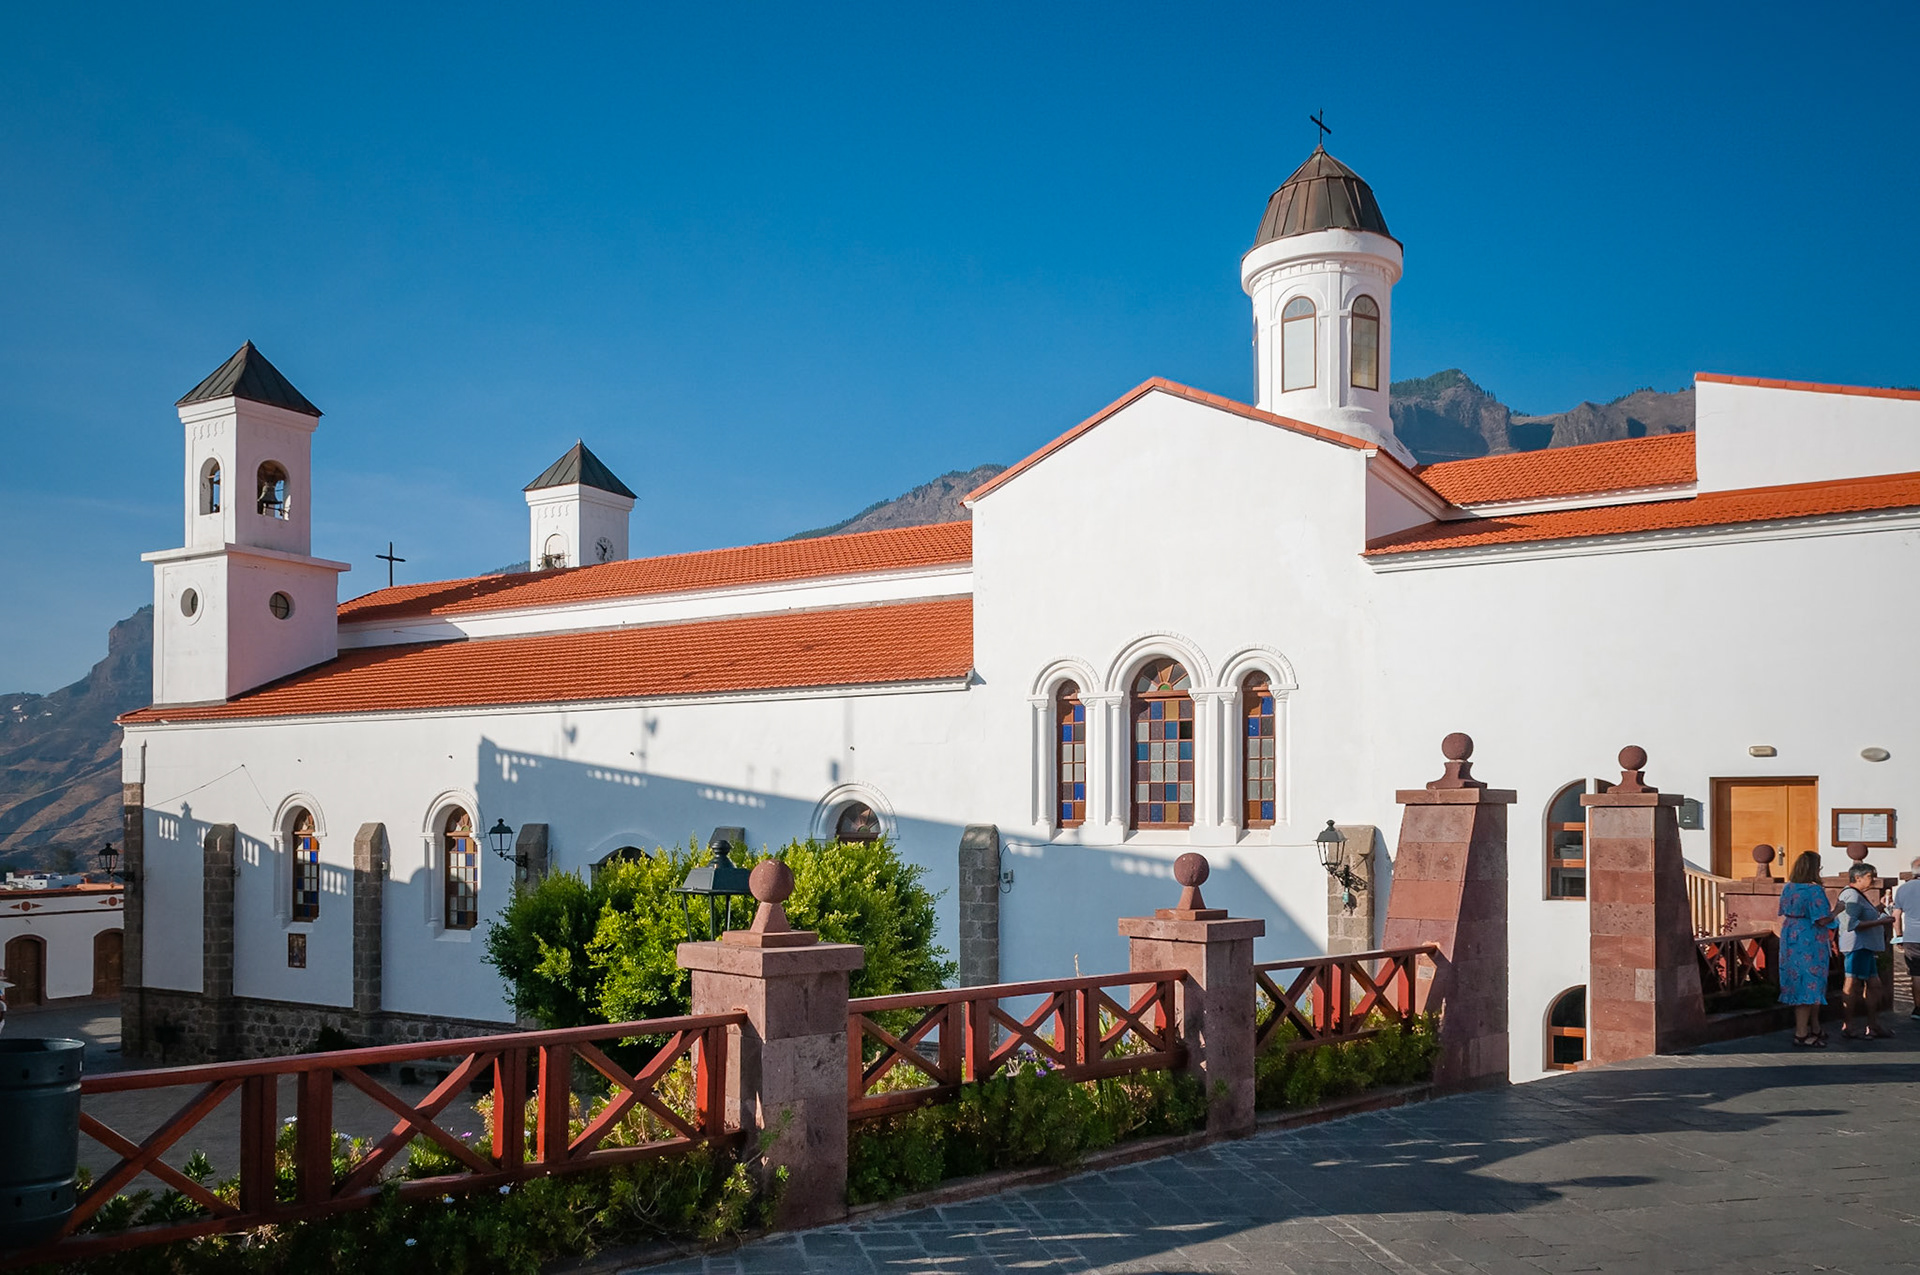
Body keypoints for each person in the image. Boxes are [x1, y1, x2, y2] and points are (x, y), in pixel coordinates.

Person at [1778, 851, 1836, 1047]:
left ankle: (1815, 1027)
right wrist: (1838, 910)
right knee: (1809, 983)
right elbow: (1822, 919)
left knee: (1798, 981)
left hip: (1790, 936)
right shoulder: (1814, 891)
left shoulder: (1789, 888)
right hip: (1809, 939)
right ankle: (1801, 1033)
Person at [1836, 861, 1895, 1040]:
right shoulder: (1852, 896)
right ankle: (1850, 1024)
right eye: (1870, 876)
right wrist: (1881, 921)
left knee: (1874, 985)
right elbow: (1852, 924)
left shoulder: (1858, 895)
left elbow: (1862, 915)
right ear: (1858, 878)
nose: (1873, 880)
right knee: (1853, 983)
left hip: (1865, 947)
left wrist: (1879, 908)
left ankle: (1872, 1024)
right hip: (1857, 946)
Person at [1890, 858, 1920, 1022]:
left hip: (1913, 937)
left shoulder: (1903, 889)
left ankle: (1918, 1008)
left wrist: (1899, 935)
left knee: (1916, 974)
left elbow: (1896, 915)